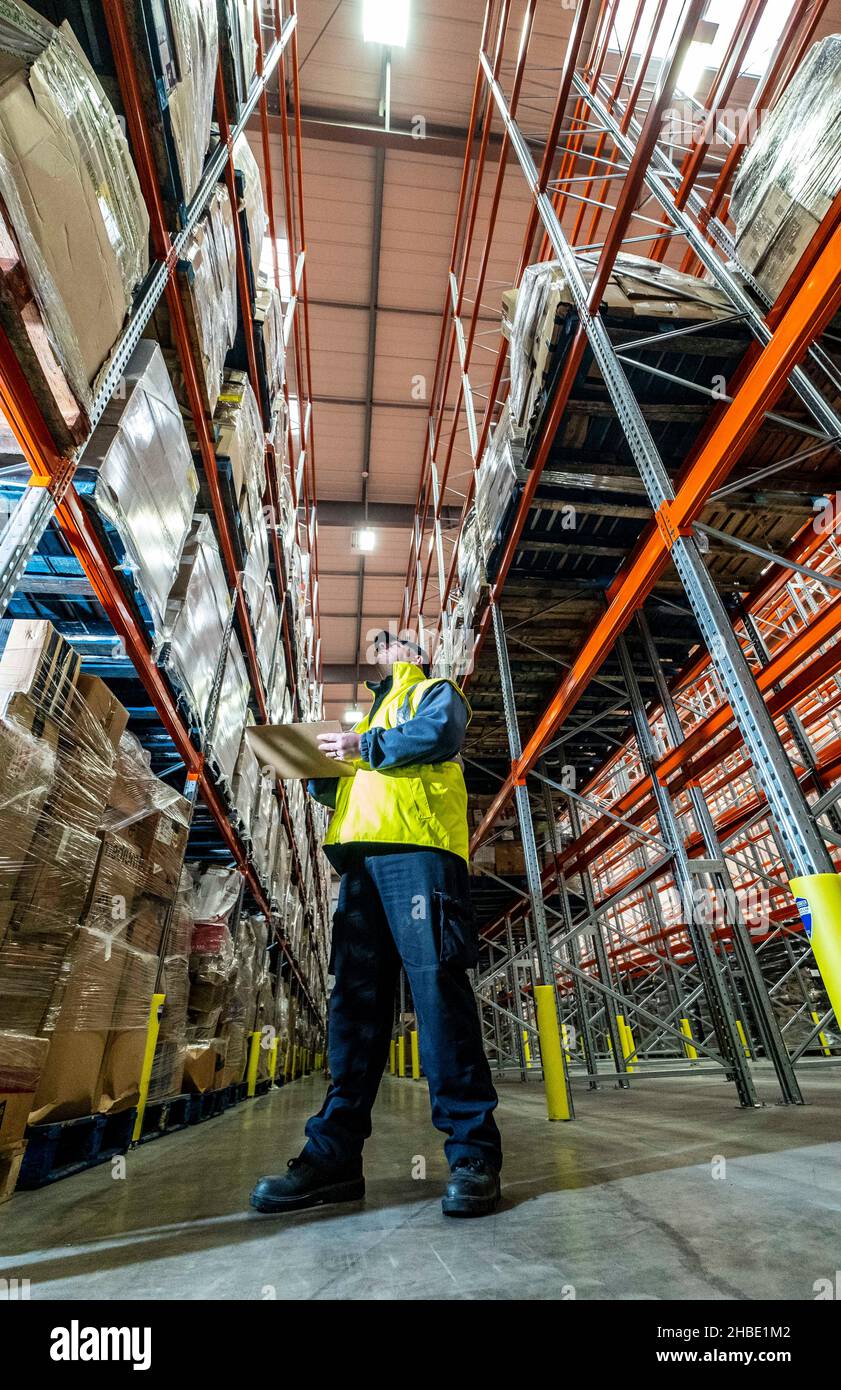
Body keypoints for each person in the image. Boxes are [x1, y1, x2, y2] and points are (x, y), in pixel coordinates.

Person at [250, 632, 502, 1218]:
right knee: (354, 1007)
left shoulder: (435, 693)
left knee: (438, 995)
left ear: (412, 652)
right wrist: (314, 767)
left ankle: (473, 1155)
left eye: (388, 641)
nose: (377, 648)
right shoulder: (365, 719)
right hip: (360, 864)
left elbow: (439, 736)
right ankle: (333, 1158)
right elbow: (344, 787)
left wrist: (361, 744)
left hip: (418, 854)